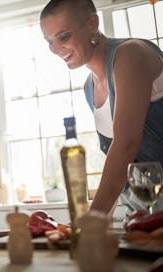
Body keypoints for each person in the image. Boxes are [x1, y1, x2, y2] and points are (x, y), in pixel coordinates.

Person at [40, 0, 163, 217]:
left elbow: (125, 146)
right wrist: (99, 224)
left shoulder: (130, 54)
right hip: (144, 217)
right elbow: (117, 167)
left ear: (92, 23)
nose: (55, 49)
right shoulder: (89, 87)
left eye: (64, 36)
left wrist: (90, 223)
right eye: (49, 41)